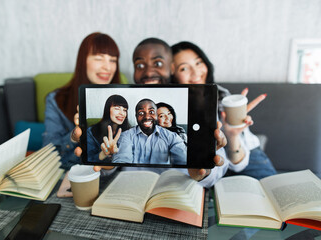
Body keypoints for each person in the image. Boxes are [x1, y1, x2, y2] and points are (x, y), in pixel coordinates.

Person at [72, 38, 229, 188]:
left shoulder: (195, 112)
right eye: (140, 66)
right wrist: (107, 162)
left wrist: (201, 172)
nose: (148, 72)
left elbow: (216, 167)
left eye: (158, 63)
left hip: (179, 192)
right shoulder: (126, 133)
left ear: (172, 68)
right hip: (131, 191)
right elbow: (120, 159)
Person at [171, 41, 277, 179]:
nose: (196, 72)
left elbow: (238, 164)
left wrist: (232, 135)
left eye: (198, 63)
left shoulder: (222, 97)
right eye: (184, 68)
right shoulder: (175, 107)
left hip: (249, 160)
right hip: (214, 171)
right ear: (172, 75)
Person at [42, 32, 121, 169]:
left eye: (112, 60)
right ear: (82, 60)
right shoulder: (56, 100)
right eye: (99, 58)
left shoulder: (120, 101)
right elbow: (48, 156)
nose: (107, 67)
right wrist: (75, 136)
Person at [112, 99, 186, 165]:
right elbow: (122, 163)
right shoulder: (126, 136)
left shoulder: (172, 137)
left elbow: (182, 162)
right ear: (136, 116)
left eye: (151, 112)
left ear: (156, 115)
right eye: (141, 113)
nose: (147, 117)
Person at [87, 94, 131, 163]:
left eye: (125, 110)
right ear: (108, 110)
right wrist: (103, 154)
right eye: (117, 108)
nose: (122, 113)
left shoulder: (129, 132)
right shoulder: (91, 132)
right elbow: (88, 159)